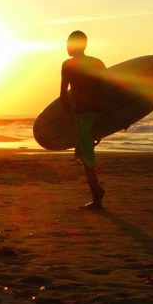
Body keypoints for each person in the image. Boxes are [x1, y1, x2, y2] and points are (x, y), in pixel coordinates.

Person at [60, 30, 107, 210]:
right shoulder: (97, 63)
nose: (66, 46)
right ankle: (98, 190)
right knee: (83, 152)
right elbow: (108, 88)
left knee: (86, 157)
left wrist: (66, 110)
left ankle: (97, 197)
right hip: (100, 113)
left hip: (84, 115)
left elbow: (64, 94)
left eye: (68, 43)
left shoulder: (68, 65)